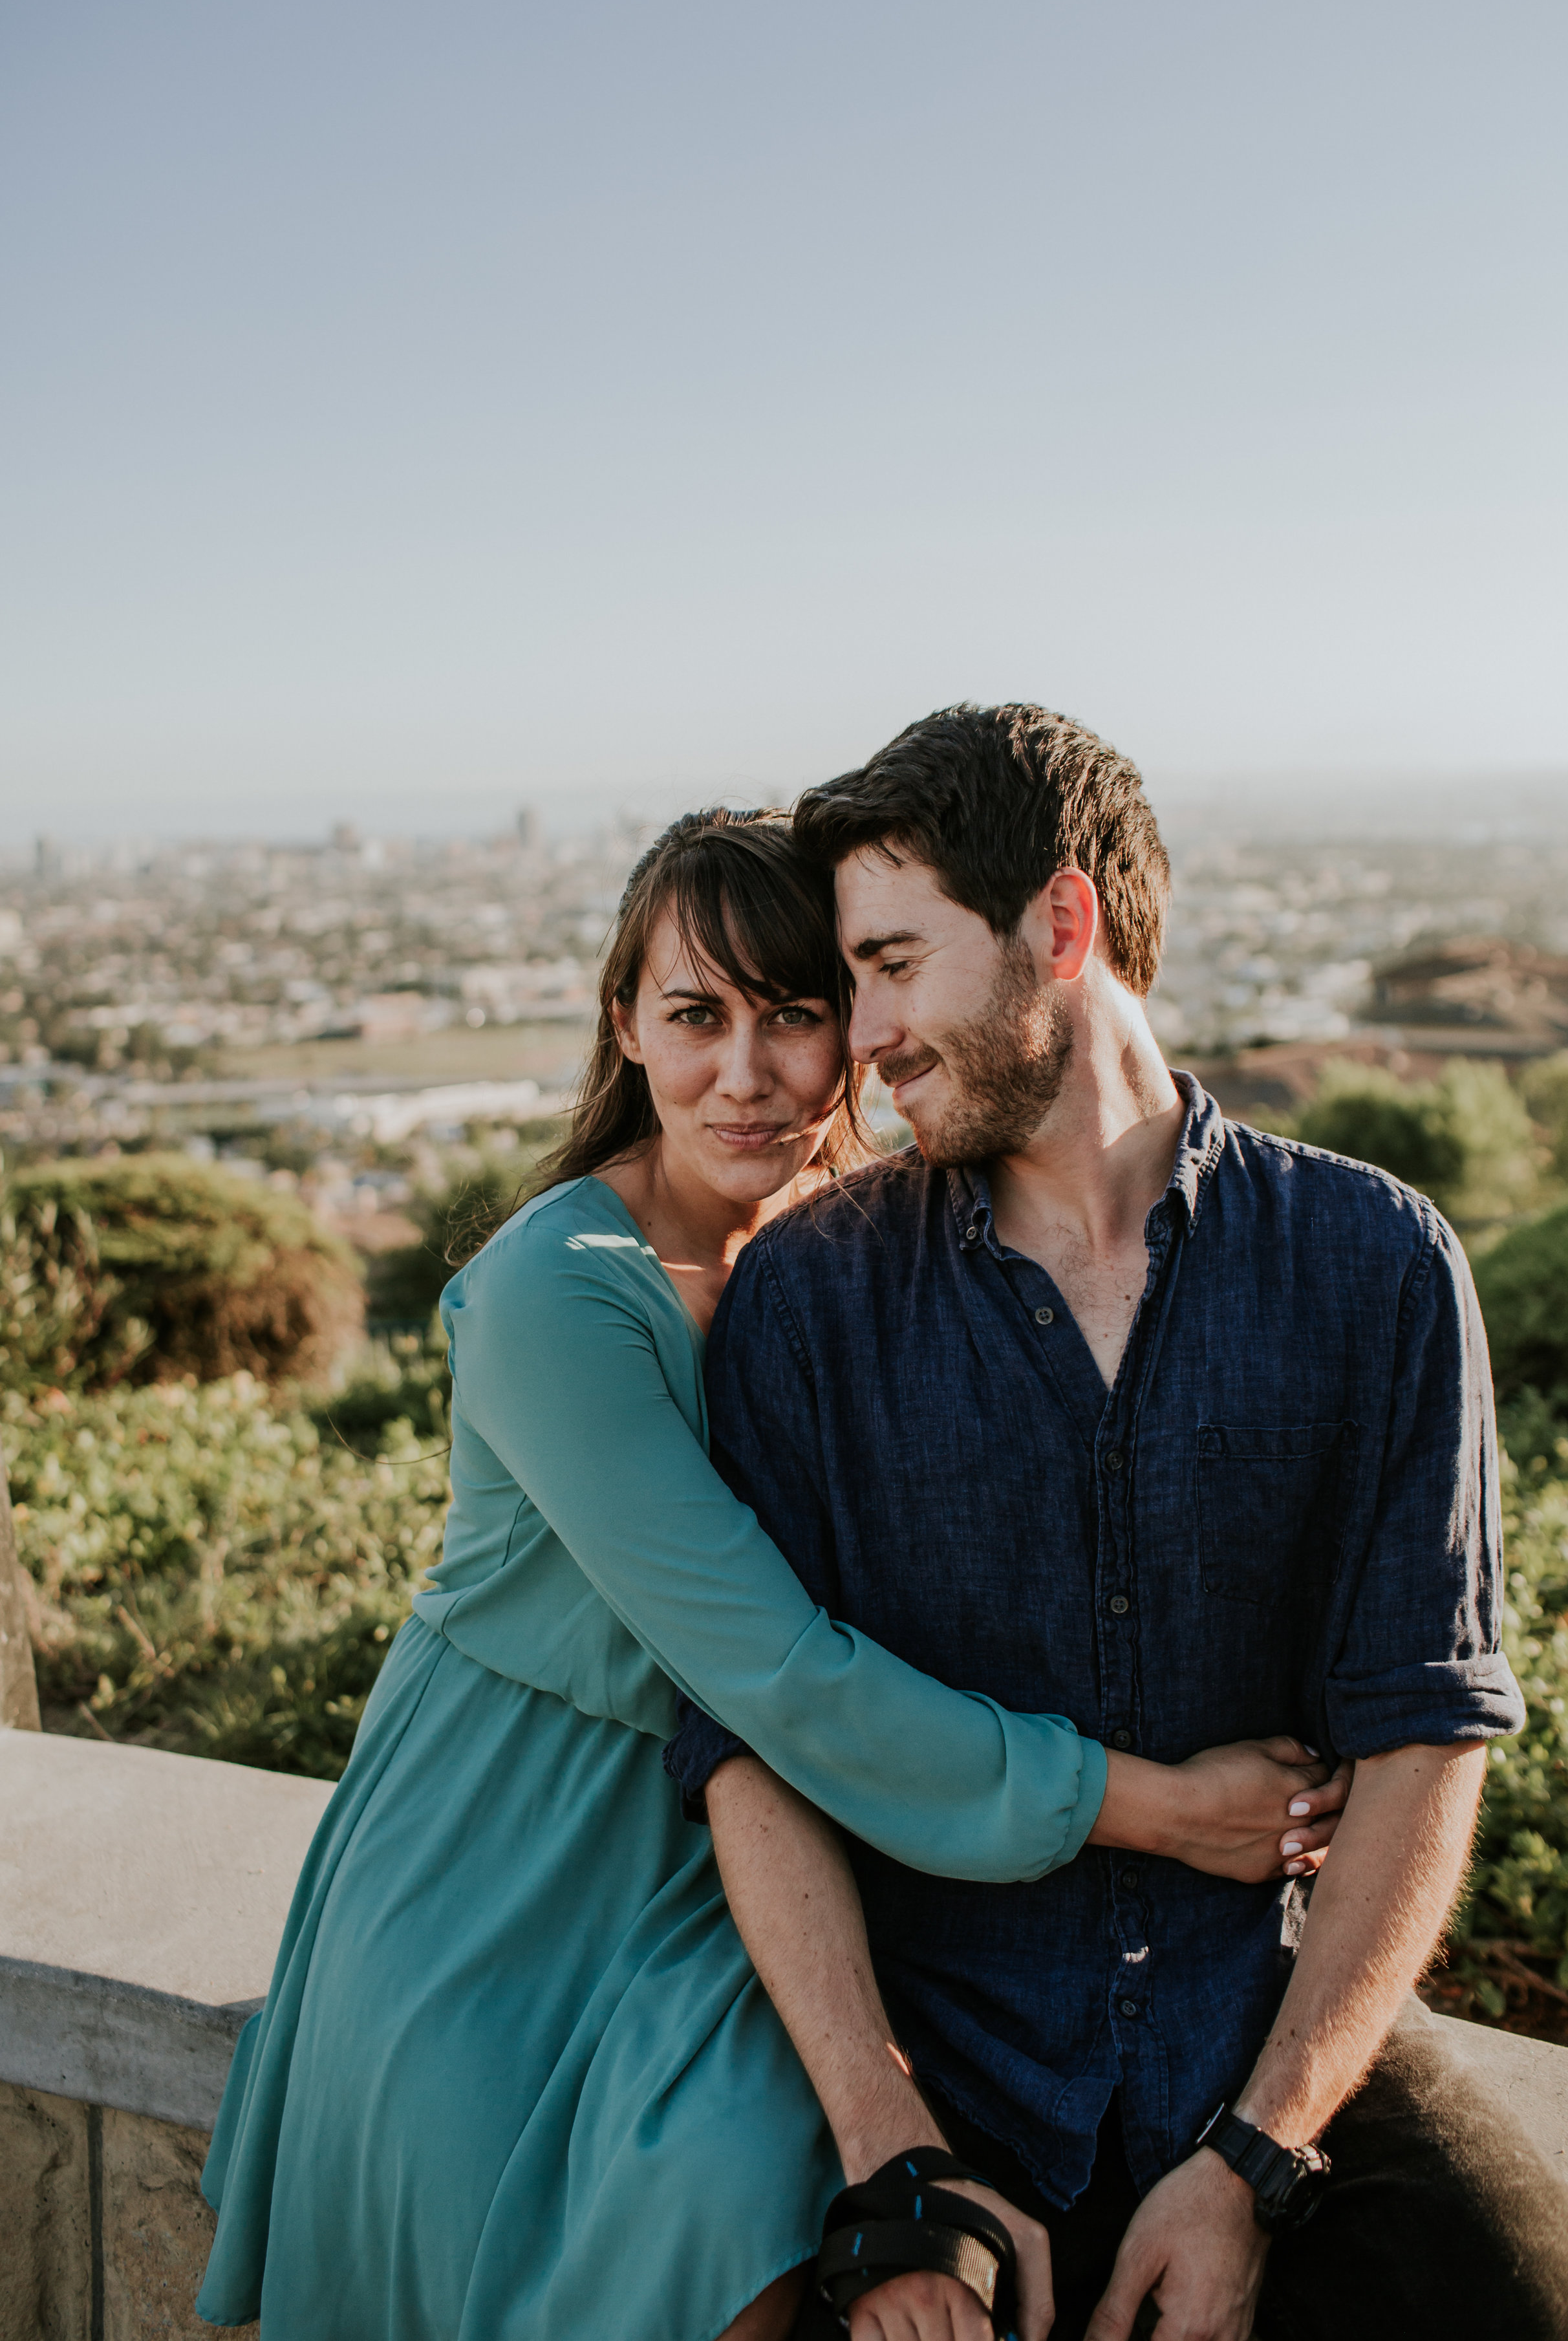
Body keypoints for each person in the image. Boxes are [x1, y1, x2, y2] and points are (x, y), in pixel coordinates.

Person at [195, 807, 1344, 2341]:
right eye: (694, 1016)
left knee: (775, 2231)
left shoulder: (851, 1257)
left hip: (757, 1854)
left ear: (856, 1031)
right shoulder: (560, 1292)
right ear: (624, 1025)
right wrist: (1164, 1808)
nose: (744, 1074)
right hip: (511, 1852)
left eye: (794, 1015)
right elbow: (780, 1674)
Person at [670, 708, 1568, 2341]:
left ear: (1060, 922)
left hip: (1259, 2029)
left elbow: (1420, 1735)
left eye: (895, 963)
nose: (867, 1036)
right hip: (935, 2061)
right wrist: (882, 2135)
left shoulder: (1372, 1265)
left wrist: (1253, 2155)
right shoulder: (809, 1303)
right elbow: (745, 1747)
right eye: (855, 981)